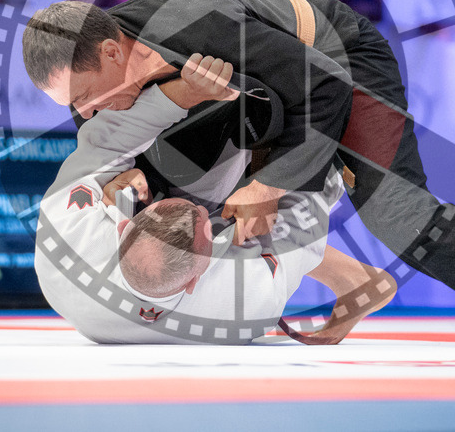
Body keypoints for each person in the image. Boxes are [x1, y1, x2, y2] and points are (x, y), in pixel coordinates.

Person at [23, 0, 455, 349]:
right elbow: (125, 151)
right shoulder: (105, 90)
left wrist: (270, 183)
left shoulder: (192, 21)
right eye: (70, 107)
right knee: (175, 204)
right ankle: (350, 278)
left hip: (339, 62)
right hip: (269, 96)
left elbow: (328, 90)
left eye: (84, 98)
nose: (83, 113)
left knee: (400, 217)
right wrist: (134, 177)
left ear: (111, 50)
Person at [35, 54, 394, 344]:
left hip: (118, 245)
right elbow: (304, 230)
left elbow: (104, 140)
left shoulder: (65, 245)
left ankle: (353, 279)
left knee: (167, 178)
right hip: (226, 269)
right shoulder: (247, 304)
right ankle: (355, 278)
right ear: (199, 276)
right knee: (260, 213)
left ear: (123, 225)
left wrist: (187, 91)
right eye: (209, 220)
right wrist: (278, 182)